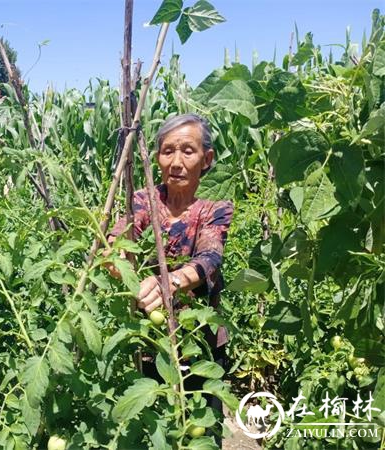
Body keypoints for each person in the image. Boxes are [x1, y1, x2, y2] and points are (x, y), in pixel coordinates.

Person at [105, 113, 233, 447]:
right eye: (167, 151)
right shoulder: (145, 200)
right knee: (155, 430)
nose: (176, 162)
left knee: (202, 429)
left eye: (187, 151)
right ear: (157, 157)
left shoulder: (214, 207)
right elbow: (117, 243)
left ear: (207, 159)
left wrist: (168, 283)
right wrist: (123, 268)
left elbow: (210, 258)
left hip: (199, 342)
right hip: (151, 343)